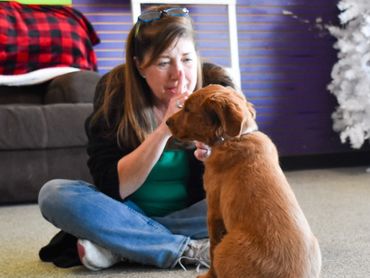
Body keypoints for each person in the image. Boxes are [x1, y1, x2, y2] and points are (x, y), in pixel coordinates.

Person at [38, 5, 236, 271]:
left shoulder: (216, 87)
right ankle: (185, 249)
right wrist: (166, 129)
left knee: (244, 201)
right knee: (53, 194)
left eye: (188, 60)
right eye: (164, 62)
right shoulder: (114, 92)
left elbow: (245, 169)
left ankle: (120, 246)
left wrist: (216, 156)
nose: (179, 75)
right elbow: (114, 187)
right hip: (127, 211)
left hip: (191, 214)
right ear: (140, 66)